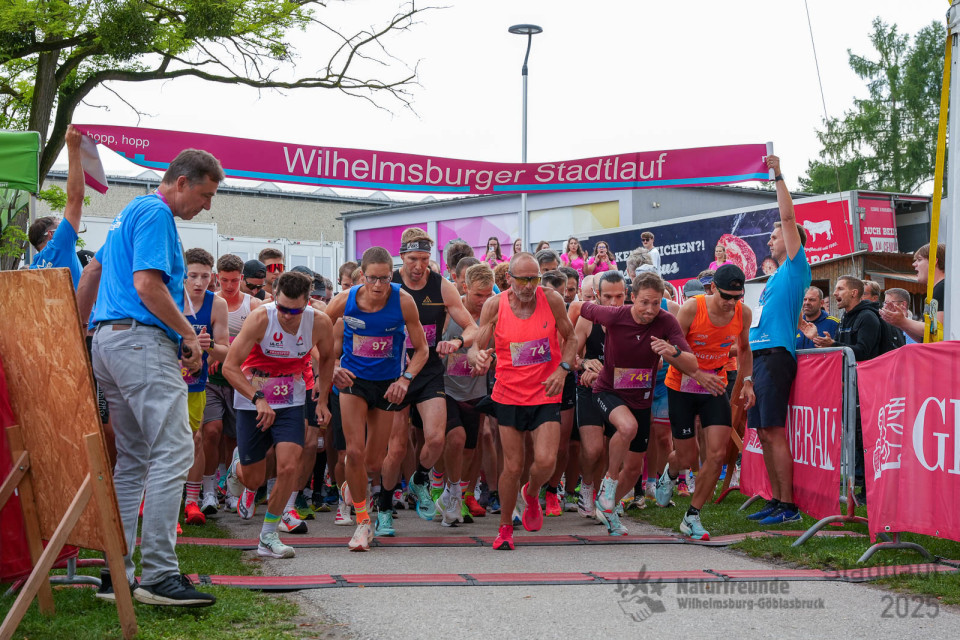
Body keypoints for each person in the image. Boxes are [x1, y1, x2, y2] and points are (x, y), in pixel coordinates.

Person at [80, 147, 223, 606]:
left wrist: (80, 333)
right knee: (175, 450)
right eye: (205, 195)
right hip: (140, 343)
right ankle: (159, 575)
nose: (207, 205)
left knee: (133, 460)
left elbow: (93, 271)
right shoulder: (158, 214)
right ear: (181, 182)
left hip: (109, 341)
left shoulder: (129, 212)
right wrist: (189, 335)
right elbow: (147, 284)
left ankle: (116, 574)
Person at [468, 252, 577, 550]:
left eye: (534, 279)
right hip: (509, 395)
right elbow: (476, 345)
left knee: (546, 460)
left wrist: (562, 370)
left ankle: (531, 492)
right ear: (508, 279)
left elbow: (571, 339)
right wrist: (477, 356)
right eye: (523, 280)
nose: (529, 286)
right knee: (513, 467)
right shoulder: (495, 304)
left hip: (545, 391)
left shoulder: (552, 300)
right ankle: (505, 528)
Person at [578, 271, 699, 536]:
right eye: (644, 302)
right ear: (632, 298)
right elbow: (578, 307)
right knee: (627, 427)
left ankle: (608, 508)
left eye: (656, 303)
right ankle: (608, 485)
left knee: (633, 469)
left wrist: (673, 351)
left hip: (641, 400)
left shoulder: (666, 321)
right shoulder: (614, 315)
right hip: (607, 391)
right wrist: (579, 360)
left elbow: (691, 363)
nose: (650, 309)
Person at [324, 246, 429, 550]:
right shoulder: (344, 300)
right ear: (362, 275)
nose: (379, 285)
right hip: (353, 382)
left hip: (387, 385)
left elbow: (422, 349)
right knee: (354, 453)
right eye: (373, 278)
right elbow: (317, 336)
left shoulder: (403, 301)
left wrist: (405, 379)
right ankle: (362, 522)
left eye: (385, 278)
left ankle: (354, 484)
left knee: (372, 464)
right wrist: (333, 368)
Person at [224, 271, 333, 558]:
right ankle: (237, 467)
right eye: (282, 308)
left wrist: (323, 400)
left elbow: (328, 358)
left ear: (307, 303)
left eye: (295, 311)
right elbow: (230, 367)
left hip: (290, 399)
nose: (287, 315)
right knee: (254, 479)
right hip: (253, 399)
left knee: (288, 466)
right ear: (275, 299)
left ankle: (268, 536)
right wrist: (258, 398)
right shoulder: (261, 318)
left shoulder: (319, 322)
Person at [381, 228, 478, 528]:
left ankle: (420, 478)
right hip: (395, 370)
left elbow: (472, 327)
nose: (419, 266)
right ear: (402, 257)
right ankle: (383, 510)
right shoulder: (388, 283)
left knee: (436, 438)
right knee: (397, 447)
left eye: (424, 259)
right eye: (413, 259)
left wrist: (458, 342)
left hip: (429, 369)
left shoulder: (441, 286)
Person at [655, 264, 754, 540]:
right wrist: (698, 375)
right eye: (726, 297)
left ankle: (692, 516)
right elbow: (669, 352)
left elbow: (745, 348)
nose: (731, 303)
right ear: (712, 288)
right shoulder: (692, 308)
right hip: (682, 385)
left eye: (737, 297)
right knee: (687, 456)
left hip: (714, 386)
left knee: (717, 454)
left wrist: (747, 381)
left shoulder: (743, 313)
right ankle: (671, 472)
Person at [744, 155, 810, 526]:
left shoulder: (796, 266)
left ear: (793, 240)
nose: (770, 240)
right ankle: (775, 499)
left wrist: (778, 176)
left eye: (775, 235)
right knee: (763, 432)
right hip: (760, 356)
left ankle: (789, 506)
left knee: (774, 430)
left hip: (776, 355)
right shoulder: (773, 277)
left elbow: (787, 216)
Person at [432, 263, 496, 528]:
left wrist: (489, 360)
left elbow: (496, 349)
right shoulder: (450, 310)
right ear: (465, 288)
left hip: (476, 390)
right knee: (454, 438)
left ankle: (455, 492)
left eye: (488, 295)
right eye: (478, 295)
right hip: (445, 387)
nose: (483, 301)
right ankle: (443, 486)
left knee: (470, 446)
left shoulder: (494, 313)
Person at [205, 254, 262, 514]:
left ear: (242, 278)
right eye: (225, 280)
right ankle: (208, 490)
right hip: (213, 379)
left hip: (240, 379)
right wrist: (212, 355)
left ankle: (230, 490)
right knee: (211, 430)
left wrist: (228, 356)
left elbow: (258, 342)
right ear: (217, 277)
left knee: (233, 437)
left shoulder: (253, 305)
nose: (229, 286)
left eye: (235, 280)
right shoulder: (211, 302)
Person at [181, 249, 229, 526]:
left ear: (212, 277)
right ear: (183, 275)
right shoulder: (171, 297)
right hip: (167, 379)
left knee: (195, 439)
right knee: (159, 439)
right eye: (193, 276)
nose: (199, 283)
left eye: (205, 276)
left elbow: (225, 351)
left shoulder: (217, 304)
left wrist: (207, 346)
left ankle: (192, 501)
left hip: (195, 383)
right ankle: (149, 498)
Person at [572, 271, 626, 517]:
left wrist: (602, 373)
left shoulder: (634, 320)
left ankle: (608, 492)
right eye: (608, 297)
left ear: (626, 294)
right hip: (590, 390)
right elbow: (570, 357)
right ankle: (586, 486)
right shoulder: (587, 320)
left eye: (619, 296)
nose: (613, 303)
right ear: (597, 296)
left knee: (614, 448)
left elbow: (645, 365)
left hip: (620, 391)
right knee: (593, 449)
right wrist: (584, 364)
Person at [28, 125, 85, 288]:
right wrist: (73, 148)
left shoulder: (34, 268)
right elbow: (75, 199)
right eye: (61, 226)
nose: (67, 226)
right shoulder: (59, 246)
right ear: (51, 234)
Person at [880, 243, 946, 342]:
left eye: (919, 259)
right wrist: (901, 323)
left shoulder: (942, 287)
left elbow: (935, 331)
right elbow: (924, 338)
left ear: (934, 261)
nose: (914, 264)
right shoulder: (937, 289)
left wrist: (904, 321)